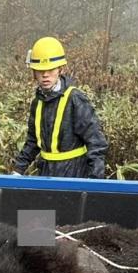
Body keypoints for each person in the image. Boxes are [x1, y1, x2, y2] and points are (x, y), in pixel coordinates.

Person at [13, 36, 108, 179]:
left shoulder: (75, 99)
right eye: (40, 70)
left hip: (74, 174)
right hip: (46, 173)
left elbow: (96, 141)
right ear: (34, 73)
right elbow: (33, 141)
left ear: (60, 69)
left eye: (50, 69)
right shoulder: (37, 103)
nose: (45, 75)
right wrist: (17, 171)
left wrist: (95, 179)